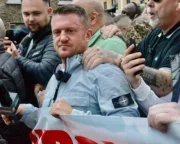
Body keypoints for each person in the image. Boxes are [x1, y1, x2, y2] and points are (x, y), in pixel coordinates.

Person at [2, 4, 139, 127]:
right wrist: (26, 112)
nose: (62, 38)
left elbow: (128, 125)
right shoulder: (57, 74)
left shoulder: (106, 72)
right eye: (57, 32)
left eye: (70, 31)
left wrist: (74, 116)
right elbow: (53, 120)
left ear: (87, 35)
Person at [82, 0, 180, 116]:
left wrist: (118, 59)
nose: (149, 3)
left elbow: (166, 84)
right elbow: (134, 57)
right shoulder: (157, 33)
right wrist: (121, 35)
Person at [2, 0, 61, 143]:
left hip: (43, 121)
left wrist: (17, 57)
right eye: (26, 14)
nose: (30, 19)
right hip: (27, 116)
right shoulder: (30, 36)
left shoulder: (54, 37)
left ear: (49, 12)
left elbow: (45, 72)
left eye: (36, 13)